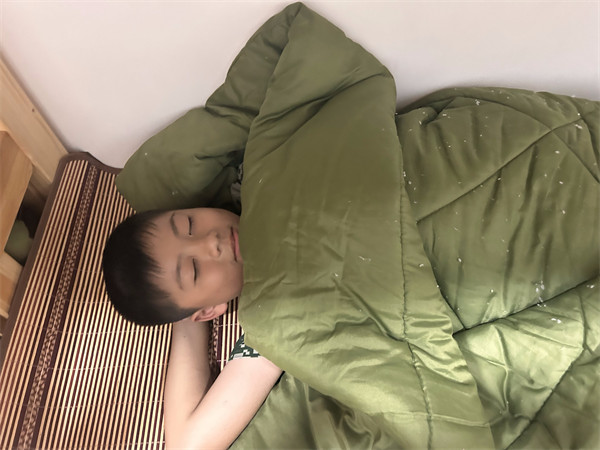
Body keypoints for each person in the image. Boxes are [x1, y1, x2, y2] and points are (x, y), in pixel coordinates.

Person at [102, 207, 282, 449]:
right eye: (194, 271)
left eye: (189, 224)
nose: (211, 241)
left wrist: (193, 304)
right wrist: (192, 312)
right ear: (208, 312)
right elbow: (186, 444)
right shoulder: (274, 322)